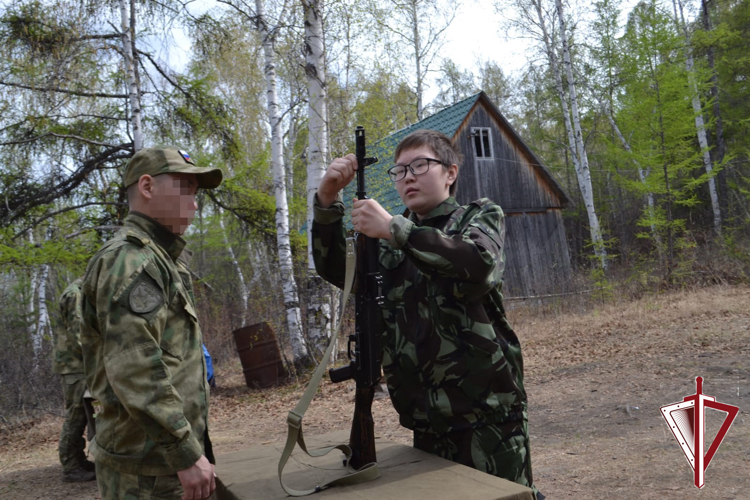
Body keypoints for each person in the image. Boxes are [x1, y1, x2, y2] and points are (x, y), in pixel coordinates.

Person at [312, 129, 539, 497]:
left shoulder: (476, 216)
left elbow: (478, 264)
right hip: (425, 421)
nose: (408, 177)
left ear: (450, 173)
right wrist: (326, 201)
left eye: (420, 165)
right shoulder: (388, 240)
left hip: (488, 417)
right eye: (399, 171)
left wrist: (394, 229)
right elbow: (339, 269)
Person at [80, 147, 222, 500]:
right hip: (147, 470)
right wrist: (184, 452)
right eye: (185, 188)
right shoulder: (132, 261)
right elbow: (136, 368)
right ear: (147, 186)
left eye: (196, 192)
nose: (194, 202)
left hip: (160, 460)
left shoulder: (160, 258)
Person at [53, 277, 96, 482]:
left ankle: (78, 460)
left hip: (80, 365)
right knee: (76, 415)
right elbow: (79, 333)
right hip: (76, 366)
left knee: (84, 414)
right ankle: (71, 466)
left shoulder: (78, 292)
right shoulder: (75, 294)